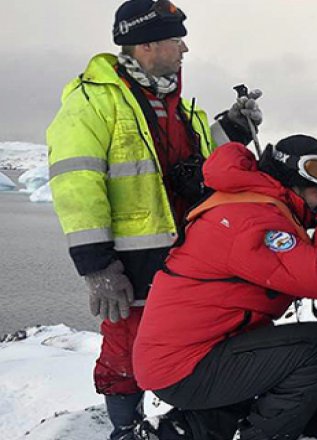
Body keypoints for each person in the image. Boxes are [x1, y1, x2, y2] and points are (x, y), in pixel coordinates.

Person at [46, 1, 262, 438]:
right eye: (174, 38)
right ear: (145, 44)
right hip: (130, 258)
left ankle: (193, 419)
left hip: (186, 253)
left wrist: (235, 128)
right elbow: (75, 182)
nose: (184, 48)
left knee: (198, 339)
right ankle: (126, 429)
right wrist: (96, 264)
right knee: (127, 345)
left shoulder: (176, 104)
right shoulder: (92, 101)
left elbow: (205, 156)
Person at [131, 135, 317, 440]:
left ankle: (181, 432)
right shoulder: (253, 221)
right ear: (292, 182)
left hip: (184, 357)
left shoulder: (249, 204)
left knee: (264, 349)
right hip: (187, 367)